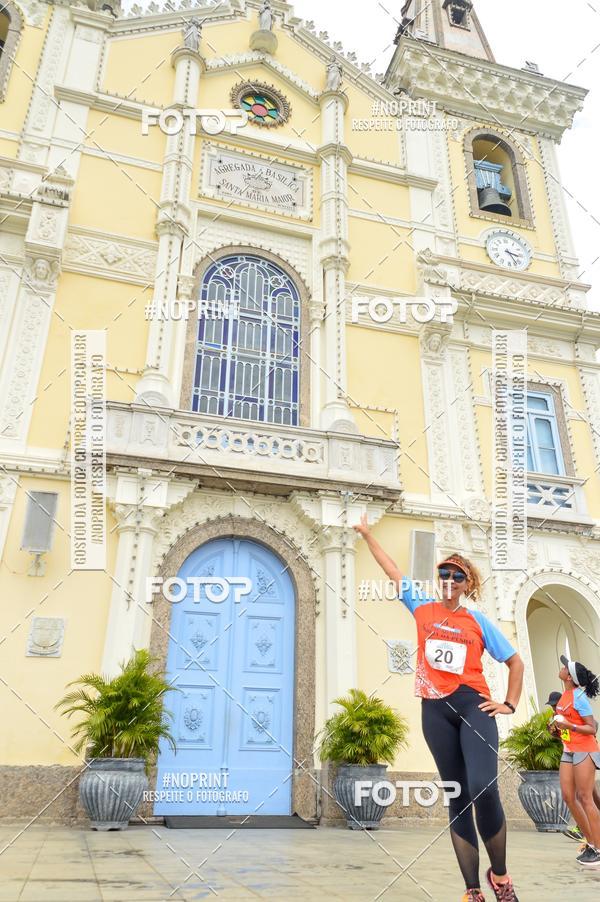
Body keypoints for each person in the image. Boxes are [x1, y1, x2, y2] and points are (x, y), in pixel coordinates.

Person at [354, 515, 524, 902]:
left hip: (474, 705)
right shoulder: (422, 607)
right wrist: (366, 534)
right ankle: (472, 890)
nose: (449, 579)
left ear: (468, 584)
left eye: (457, 575)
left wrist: (510, 704)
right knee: (457, 794)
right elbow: (391, 568)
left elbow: (515, 661)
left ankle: (500, 877)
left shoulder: (477, 621)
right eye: (443, 573)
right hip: (435, 710)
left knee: (483, 786)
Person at [555, 655, 600, 867]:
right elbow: (564, 726)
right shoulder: (565, 696)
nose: (562, 668)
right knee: (568, 796)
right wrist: (556, 730)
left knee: (585, 797)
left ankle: (598, 849)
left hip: (585, 749)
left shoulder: (578, 697)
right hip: (569, 749)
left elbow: (592, 728)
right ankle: (591, 843)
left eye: (565, 667)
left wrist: (570, 727)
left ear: (570, 677)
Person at [545, 690, 600, 843]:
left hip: (585, 753)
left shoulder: (571, 708)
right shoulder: (556, 716)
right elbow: (565, 736)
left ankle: (594, 839)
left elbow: (594, 725)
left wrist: (573, 727)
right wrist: (555, 733)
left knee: (588, 796)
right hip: (571, 754)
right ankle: (588, 835)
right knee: (583, 796)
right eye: (552, 706)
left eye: (555, 705)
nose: (553, 708)